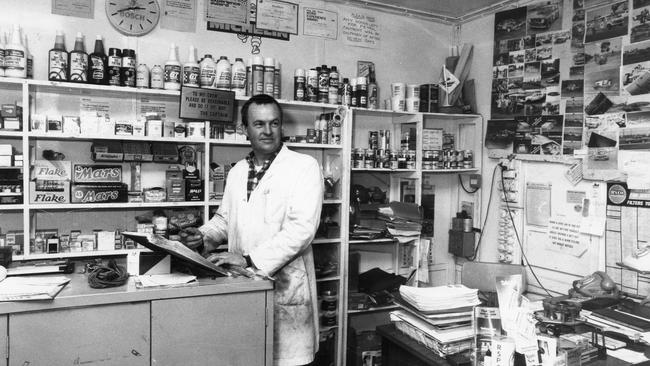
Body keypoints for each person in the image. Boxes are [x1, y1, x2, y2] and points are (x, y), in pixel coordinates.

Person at [182, 94, 324, 366]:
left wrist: (248, 260)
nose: (268, 131)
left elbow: (301, 230)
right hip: (242, 288)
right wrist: (203, 236)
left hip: (286, 287)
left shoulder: (303, 167)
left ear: (281, 126)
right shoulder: (237, 171)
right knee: (247, 355)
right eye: (259, 124)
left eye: (274, 123)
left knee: (285, 360)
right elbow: (225, 219)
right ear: (245, 129)